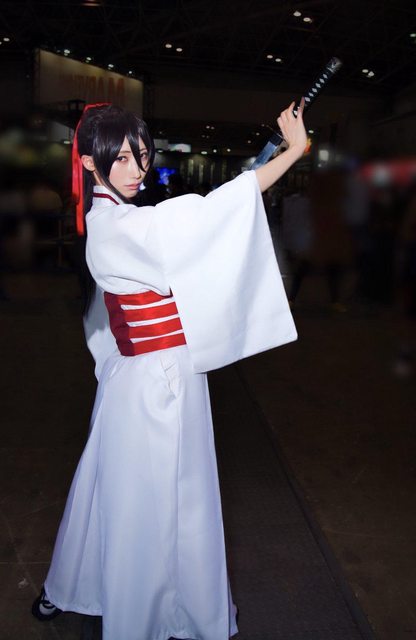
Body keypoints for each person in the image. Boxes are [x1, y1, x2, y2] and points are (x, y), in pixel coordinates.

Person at [31, 101, 306, 640]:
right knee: (160, 501)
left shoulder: (113, 219)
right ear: (88, 162)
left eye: (141, 154)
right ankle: (147, 614)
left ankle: (77, 588)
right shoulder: (119, 225)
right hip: (157, 383)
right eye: (120, 158)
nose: (136, 168)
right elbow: (205, 217)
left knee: (112, 491)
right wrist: (293, 152)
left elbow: (188, 228)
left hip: (139, 378)